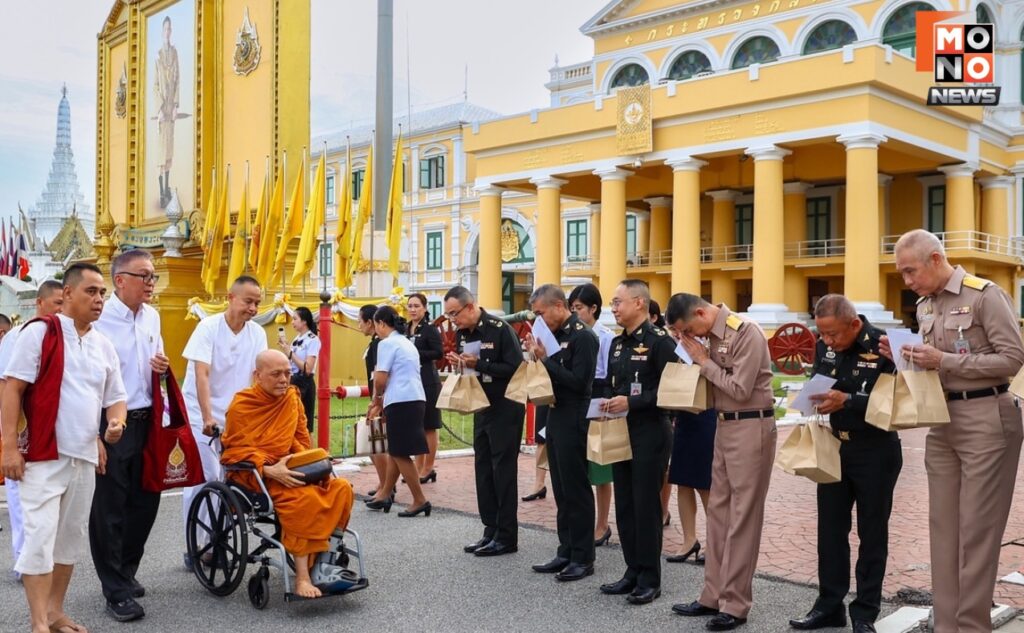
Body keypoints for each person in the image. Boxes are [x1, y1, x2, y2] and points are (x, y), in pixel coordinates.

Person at [880, 229, 1024, 633]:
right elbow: (933, 364)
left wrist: (942, 359)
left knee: (977, 531)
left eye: (910, 271)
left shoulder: (984, 296)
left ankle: (971, 626)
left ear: (935, 259)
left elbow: (1013, 359)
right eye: (901, 273)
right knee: (943, 529)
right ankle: (947, 625)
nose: (906, 281)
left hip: (987, 416)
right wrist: (906, 356)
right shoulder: (925, 305)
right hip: (943, 419)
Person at [1, 263, 128, 633]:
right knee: (39, 539)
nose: (99, 299)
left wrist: (115, 424)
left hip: (84, 456)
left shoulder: (103, 344)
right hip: (42, 456)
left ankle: (55, 612)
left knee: (69, 541)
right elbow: (13, 389)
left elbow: (116, 398)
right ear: (68, 294)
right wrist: (8, 447)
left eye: (102, 292)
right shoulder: (39, 332)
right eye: (91, 291)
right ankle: (38, 621)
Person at [788, 295, 901, 633]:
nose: (827, 341)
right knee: (831, 531)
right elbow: (819, 380)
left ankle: (865, 612)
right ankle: (829, 606)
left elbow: (896, 401)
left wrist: (848, 400)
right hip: (835, 446)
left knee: (872, 533)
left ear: (854, 324)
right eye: (822, 334)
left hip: (875, 450)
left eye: (833, 334)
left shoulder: (885, 346)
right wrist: (815, 399)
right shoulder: (824, 346)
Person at [670, 293, 776, 631]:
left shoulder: (745, 331)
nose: (690, 337)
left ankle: (735, 604)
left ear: (702, 313)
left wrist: (704, 361)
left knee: (743, 516)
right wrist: (691, 355)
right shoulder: (710, 336)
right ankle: (712, 595)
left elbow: (740, 388)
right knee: (718, 512)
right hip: (723, 425)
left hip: (751, 425)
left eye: (689, 330)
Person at [221, 350, 355, 599]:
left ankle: (324, 562)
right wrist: (270, 469)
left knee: (342, 488)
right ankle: (303, 577)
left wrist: (311, 462)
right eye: (276, 374)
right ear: (258, 375)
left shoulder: (292, 399)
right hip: (258, 476)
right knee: (303, 499)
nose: (284, 380)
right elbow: (235, 452)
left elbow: (301, 441)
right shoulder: (242, 405)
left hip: (292, 468)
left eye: (287, 373)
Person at [89, 249, 169, 622]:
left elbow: (157, 362)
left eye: (153, 276)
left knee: (146, 500)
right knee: (109, 507)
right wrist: (94, 433)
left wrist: (162, 366)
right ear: (120, 280)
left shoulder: (152, 316)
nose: (151, 283)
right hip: (111, 422)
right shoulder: (99, 320)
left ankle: (126, 569)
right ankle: (115, 590)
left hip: (147, 419)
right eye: (144, 276)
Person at [181, 275, 267, 567]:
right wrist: (207, 416)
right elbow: (201, 374)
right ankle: (196, 545)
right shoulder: (208, 327)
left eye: (257, 303)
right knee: (206, 477)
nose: (253, 308)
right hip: (200, 414)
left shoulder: (257, 333)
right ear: (231, 298)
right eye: (248, 301)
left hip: (235, 417)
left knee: (231, 479)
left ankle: (216, 539)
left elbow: (257, 377)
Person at [598, 280, 675, 605]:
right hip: (620, 430)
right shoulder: (617, 343)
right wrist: (605, 402)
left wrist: (632, 402)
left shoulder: (660, 342)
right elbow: (610, 382)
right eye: (613, 303)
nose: (613, 308)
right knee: (626, 505)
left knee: (645, 506)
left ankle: (649, 578)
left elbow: (671, 392)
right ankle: (632, 570)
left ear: (639, 303)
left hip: (650, 432)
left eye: (618, 302)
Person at [443, 285, 525, 557]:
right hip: (480, 405)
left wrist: (478, 364)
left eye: (454, 313)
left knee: (503, 471)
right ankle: (490, 529)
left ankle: (507, 535)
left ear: (470, 307)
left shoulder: (499, 329)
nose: (452, 320)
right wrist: (460, 363)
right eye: (448, 315)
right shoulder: (462, 333)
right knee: (484, 470)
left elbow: (515, 368)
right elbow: (470, 367)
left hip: (505, 406)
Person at [527, 284, 599, 581]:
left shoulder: (583, 336)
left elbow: (580, 382)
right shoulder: (553, 335)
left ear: (559, 306)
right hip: (555, 414)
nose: (539, 320)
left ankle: (583, 556)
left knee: (576, 488)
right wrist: (536, 359)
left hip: (574, 415)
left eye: (541, 313)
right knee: (560, 486)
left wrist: (546, 360)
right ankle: (566, 549)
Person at [0, 281, 63, 580]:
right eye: (57, 303)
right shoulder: (18, 336)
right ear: (40, 303)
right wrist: (10, 437)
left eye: (65, 303)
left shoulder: (68, 333)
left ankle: (42, 560)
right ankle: (24, 561)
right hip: (24, 424)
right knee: (19, 493)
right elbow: (6, 386)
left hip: (54, 427)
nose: (62, 309)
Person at [365, 306, 431, 517]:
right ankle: (385, 493)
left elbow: (380, 378)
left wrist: (376, 400)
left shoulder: (386, 343)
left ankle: (419, 499)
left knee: (400, 453)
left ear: (381, 324)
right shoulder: (407, 342)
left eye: (376, 324)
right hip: (416, 398)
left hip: (400, 399)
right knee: (396, 449)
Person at [664, 318, 717, 566]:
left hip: (706, 415)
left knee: (705, 484)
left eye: (679, 329)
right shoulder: (672, 347)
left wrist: (699, 356)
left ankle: (714, 542)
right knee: (682, 481)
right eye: (672, 329)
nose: (677, 333)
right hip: (683, 416)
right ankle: (689, 540)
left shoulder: (707, 344)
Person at [567, 283, 615, 546]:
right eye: (572, 308)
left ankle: (602, 524)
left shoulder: (605, 336)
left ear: (593, 308)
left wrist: (603, 409)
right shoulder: (571, 335)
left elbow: (608, 374)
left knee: (600, 467)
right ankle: (582, 522)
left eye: (579, 308)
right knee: (579, 465)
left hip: (597, 397)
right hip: (575, 401)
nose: (575, 313)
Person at [406, 293, 443, 483]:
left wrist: (414, 353)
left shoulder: (430, 329)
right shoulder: (405, 329)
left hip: (428, 380)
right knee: (416, 426)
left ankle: (428, 467)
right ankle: (418, 466)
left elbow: (438, 352)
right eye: (410, 306)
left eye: (416, 306)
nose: (413, 310)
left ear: (425, 308)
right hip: (411, 381)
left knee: (429, 425)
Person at [357, 304, 389, 497]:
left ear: (370, 322)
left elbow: (379, 373)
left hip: (380, 398)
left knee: (377, 444)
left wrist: (376, 400)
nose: (358, 325)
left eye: (360, 321)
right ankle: (384, 483)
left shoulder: (379, 344)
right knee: (375, 443)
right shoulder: (375, 342)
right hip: (378, 397)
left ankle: (386, 486)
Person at [280, 306, 320, 432]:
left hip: (304, 383)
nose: (292, 322)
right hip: (293, 381)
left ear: (304, 321)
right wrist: (286, 349)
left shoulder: (313, 340)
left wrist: (290, 353)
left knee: (305, 427)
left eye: (295, 319)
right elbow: (292, 361)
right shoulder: (297, 339)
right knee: (290, 423)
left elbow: (308, 368)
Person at [154, 15, 179, 208]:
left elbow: (177, 80)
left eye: (170, 29)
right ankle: (162, 191)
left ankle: (168, 188)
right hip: (163, 110)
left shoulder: (174, 53)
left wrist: (176, 105)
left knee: (169, 150)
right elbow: (155, 86)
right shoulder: (158, 56)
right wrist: (160, 108)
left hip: (171, 109)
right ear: (162, 31)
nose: (168, 32)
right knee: (161, 152)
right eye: (165, 29)